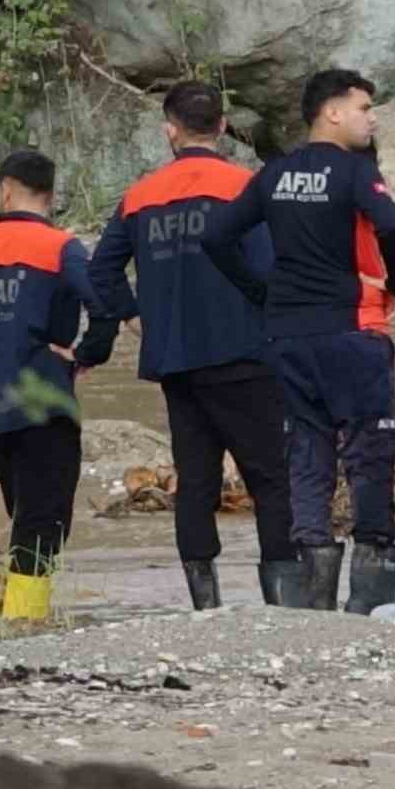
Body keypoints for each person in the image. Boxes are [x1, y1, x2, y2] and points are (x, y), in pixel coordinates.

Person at [201, 68, 395, 615]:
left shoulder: (275, 173)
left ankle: (312, 602)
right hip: (352, 329)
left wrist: (259, 292)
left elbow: (217, 236)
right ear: (332, 111)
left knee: (308, 456)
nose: (372, 118)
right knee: (370, 451)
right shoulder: (353, 171)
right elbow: (390, 225)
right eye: (365, 107)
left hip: (289, 335)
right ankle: (369, 600)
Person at [88, 81, 304, 610]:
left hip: (178, 363)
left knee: (197, 481)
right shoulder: (246, 185)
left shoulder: (141, 196)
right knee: (272, 480)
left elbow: (101, 270)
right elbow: (278, 267)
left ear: (170, 130)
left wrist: (133, 315)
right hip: (246, 353)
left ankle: (204, 607)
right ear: (223, 128)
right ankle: (283, 605)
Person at [0, 149, 120, 621]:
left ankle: (21, 611)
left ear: (5, 189)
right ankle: (22, 621)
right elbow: (104, 305)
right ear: (50, 193)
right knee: (44, 518)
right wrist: (88, 354)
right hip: (40, 399)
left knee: (25, 511)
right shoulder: (60, 247)